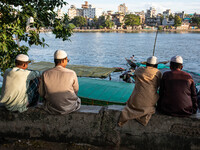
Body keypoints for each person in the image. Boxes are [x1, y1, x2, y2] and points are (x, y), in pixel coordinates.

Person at [118, 56, 162, 126]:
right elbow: (159, 85)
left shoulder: (139, 70)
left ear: (146, 64)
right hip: (149, 101)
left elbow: (135, 77)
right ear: (156, 65)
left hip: (135, 101)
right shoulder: (158, 72)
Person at [39, 50, 81, 114]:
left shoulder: (45, 73)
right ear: (64, 60)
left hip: (51, 107)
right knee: (78, 100)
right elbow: (75, 91)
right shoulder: (72, 73)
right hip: (70, 107)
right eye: (67, 60)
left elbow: (41, 93)